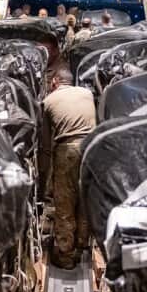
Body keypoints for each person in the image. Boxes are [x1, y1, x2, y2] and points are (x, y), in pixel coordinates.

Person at [39, 64, 95, 269]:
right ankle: (81, 245)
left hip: (68, 150)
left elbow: (45, 145)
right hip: (91, 148)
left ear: (54, 82)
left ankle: (65, 255)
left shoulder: (48, 101)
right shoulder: (87, 93)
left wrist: (42, 179)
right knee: (84, 199)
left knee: (65, 203)